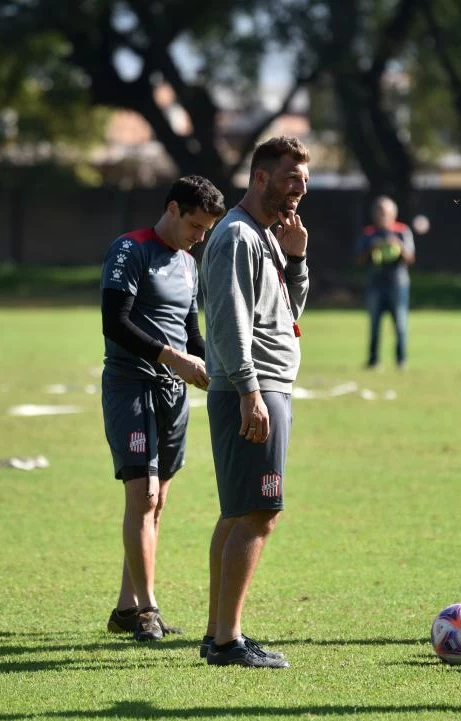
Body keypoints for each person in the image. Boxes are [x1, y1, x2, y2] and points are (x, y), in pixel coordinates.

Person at [199, 136, 310, 668]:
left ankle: (217, 632)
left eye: (304, 179)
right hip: (254, 388)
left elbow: (286, 313)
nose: (300, 189)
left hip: (264, 385)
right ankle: (228, 642)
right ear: (260, 177)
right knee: (261, 512)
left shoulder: (266, 236)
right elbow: (228, 320)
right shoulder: (238, 236)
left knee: (238, 511)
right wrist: (249, 392)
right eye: (291, 178)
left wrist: (298, 260)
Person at [100, 175, 225, 641]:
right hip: (131, 386)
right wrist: (172, 357)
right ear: (173, 209)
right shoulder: (130, 250)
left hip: (174, 394)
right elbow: (116, 321)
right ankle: (148, 609)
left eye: (207, 229)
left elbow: (189, 329)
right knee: (143, 495)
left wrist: (216, 364)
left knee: (159, 502)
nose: (201, 236)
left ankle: (125, 608)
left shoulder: (188, 264)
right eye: (195, 225)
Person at [356, 195, 416, 369]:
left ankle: (401, 360)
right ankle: (373, 360)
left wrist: (397, 244)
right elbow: (360, 259)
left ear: (393, 213)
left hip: (398, 284)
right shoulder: (369, 233)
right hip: (376, 284)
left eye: (385, 211)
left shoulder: (402, 231)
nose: (382, 215)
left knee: (400, 324)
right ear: (374, 214)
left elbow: (410, 258)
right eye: (379, 211)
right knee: (374, 324)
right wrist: (372, 248)